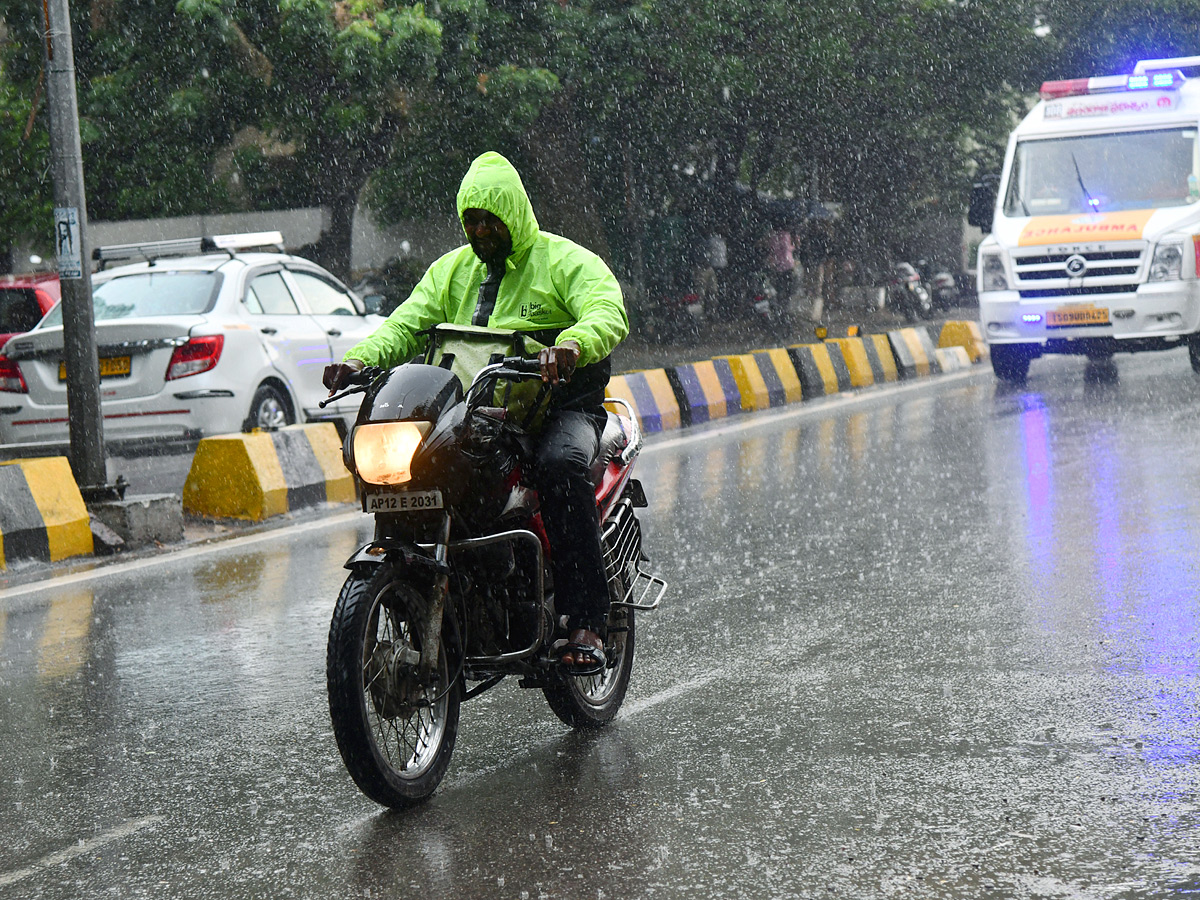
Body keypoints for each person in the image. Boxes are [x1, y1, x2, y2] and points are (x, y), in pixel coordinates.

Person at [323, 151, 629, 672]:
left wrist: (572, 345)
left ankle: (587, 621)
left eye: (490, 220)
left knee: (559, 470)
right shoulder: (451, 272)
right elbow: (406, 325)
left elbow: (607, 309)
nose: (480, 230)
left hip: (555, 409)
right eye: (471, 221)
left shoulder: (565, 262)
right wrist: (359, 360)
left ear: (513, 214)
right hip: (479, 414)